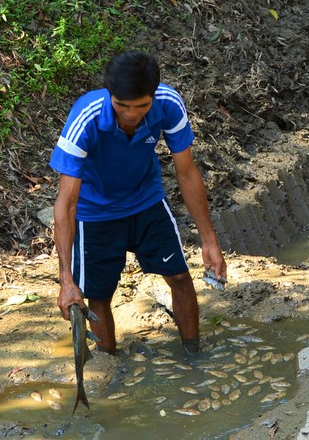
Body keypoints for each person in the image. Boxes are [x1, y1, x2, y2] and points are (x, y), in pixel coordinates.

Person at [49, 50, 227, 355]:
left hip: (146, 200)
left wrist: (209, 240)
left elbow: (186, 171)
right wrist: (66, 278)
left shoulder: (168, 104)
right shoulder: (86, 116)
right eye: (122, 106)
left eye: (142, 106)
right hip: (95, 212)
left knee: (181, 277)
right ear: (110, 94)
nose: (132, 114)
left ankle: (194, 354)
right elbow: (65, 203)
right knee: (99, 295)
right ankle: (110, 363)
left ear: (153, 96)